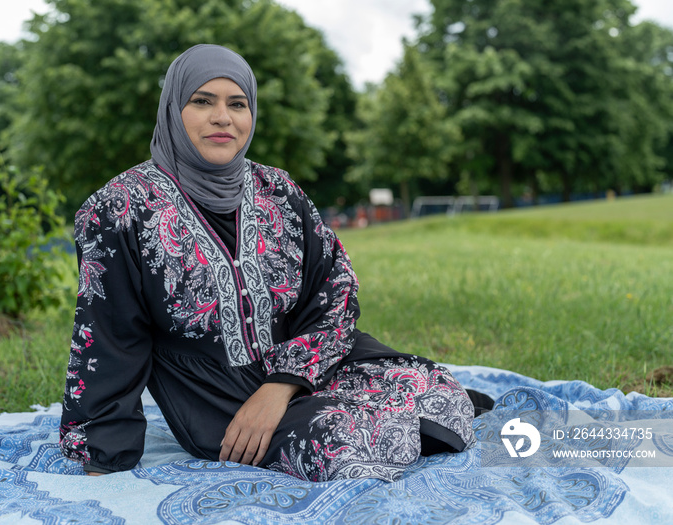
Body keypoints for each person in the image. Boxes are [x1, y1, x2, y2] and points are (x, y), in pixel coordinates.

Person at [60, 44, 491, 482]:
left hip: (310, 367)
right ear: (173, 108)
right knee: (341, 439)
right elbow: (109, 336)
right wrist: (104, 456)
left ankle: (391, 413)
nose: (222, 118)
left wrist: (283, 382)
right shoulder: (119, 209)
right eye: (202, 101)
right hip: (221, 402)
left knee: (441, 394)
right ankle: (380, 419)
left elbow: (334, 291)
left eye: (237, 104)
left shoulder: (278, 190)